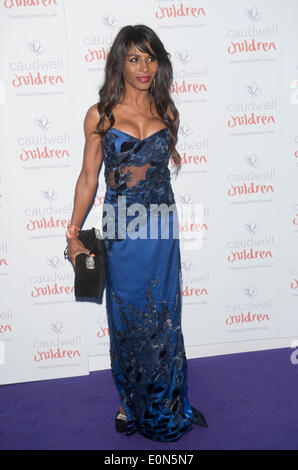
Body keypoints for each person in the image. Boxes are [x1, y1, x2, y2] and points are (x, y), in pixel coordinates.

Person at [65, 24, 207, 442]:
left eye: (150, 58)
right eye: (134, 58)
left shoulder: (168, 111)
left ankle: (166, 403)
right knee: (128, 319)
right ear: (119, 64)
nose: (144, 67)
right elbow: (89, 177)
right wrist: (73, 232)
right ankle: (132, 403)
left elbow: (160, 173)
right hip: (120, 226)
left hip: (162, 225)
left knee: (163, 317)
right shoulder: (101, 114)